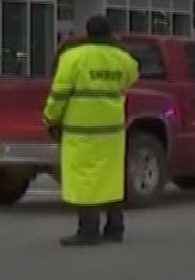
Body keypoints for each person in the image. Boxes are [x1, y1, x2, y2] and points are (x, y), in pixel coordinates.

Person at [43, 15, 141, 247]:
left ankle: (88, 230)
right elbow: (132, 77)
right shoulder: (123, 59)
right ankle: (115, 228)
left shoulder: (73, 57)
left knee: (84, 181)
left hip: (81, 130)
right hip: (112, 131)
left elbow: (60, 92)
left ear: (87, 32)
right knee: (110, 178)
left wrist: (50, 117)